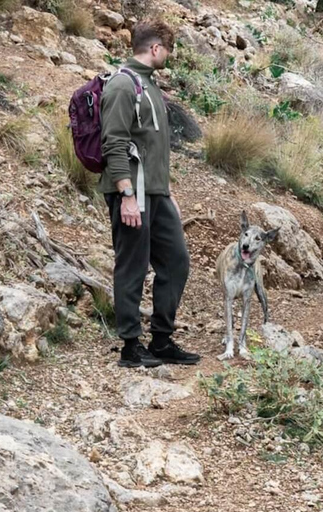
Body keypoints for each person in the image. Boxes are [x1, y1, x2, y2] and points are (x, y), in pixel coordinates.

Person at [100, 20, 200, 368]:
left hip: (156, 194)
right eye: (167, 50)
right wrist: (126, 194)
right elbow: (113, 144)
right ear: (155, 48)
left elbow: (150, 147)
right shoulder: (122, 86)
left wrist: (164, 191)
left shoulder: (149, 86)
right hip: (131, 194)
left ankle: (161, 340)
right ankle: (130, 348)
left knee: (175, 261)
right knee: (132, 267)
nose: (168, 57)